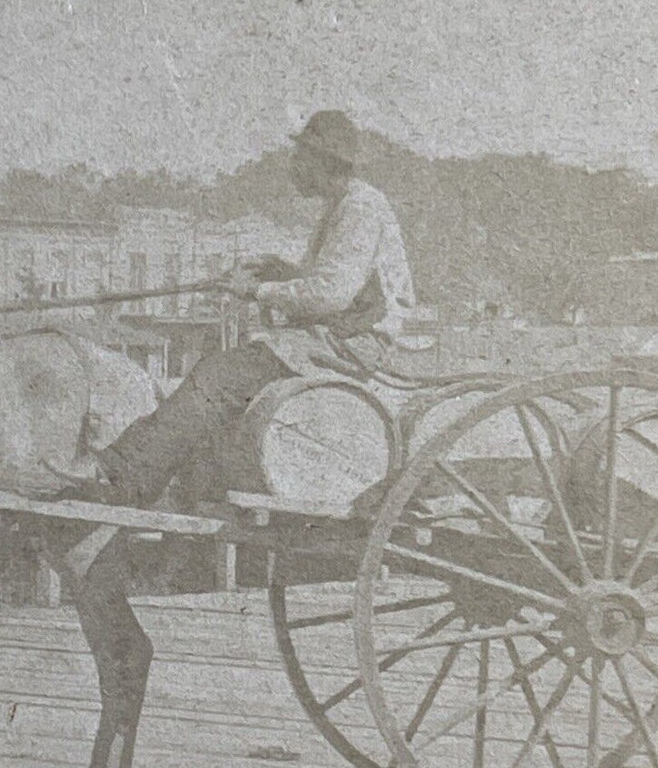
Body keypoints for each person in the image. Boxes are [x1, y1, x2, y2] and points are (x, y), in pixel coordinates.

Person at [66, 110, 415, 505]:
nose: (294, 167)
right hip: (338, 335)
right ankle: (176, 485)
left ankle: (125, 476)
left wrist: (258, 290)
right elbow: (336, 283)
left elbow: (332, 294)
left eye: (301, 157)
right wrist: (283, 272)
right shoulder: (342, 206)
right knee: (222, 378)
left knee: (217, 377)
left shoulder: (360, 208)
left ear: (325, 161)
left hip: (352, 342)